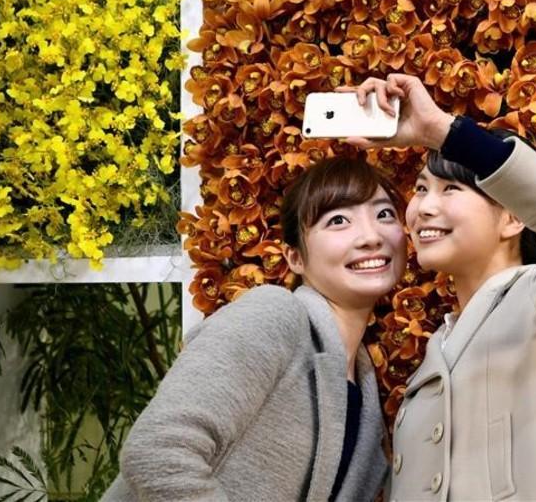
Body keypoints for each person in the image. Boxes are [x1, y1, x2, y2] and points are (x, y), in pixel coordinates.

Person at [345, 74, 536, 501]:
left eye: (451, 189)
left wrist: (441, 131)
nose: (424, 208)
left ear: (513, 217)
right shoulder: (435, 353)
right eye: (421, 189)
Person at [102, 156, 404, 502]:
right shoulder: (275, 313)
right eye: (338, 220)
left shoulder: (366, 396)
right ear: (294, 258)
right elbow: (157, 452)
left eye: (384, 214)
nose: (371, 236)